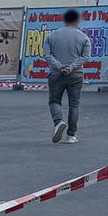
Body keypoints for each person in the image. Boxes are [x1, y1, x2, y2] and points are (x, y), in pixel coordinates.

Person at [44, 9, 91, 144]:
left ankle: (58, 122)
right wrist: (70, 67)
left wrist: (60, 67)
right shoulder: (83, 37)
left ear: (64, 20)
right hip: (75, 74)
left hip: (55, 74)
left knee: (54, 101)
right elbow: (85, 56)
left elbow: (47, 55)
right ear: (77, 20)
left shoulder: (51, 36)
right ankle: (71, 135)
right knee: (74, 105)